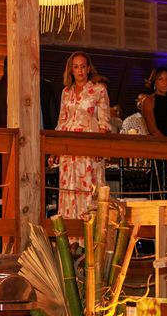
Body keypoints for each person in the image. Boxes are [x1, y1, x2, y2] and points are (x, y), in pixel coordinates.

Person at [53, 51, 110, 221]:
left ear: (88, 68)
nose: (80, 70)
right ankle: (70, 232)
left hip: (89, 147)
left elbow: (104, 123)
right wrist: (56, 149)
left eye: (83, 66)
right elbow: (61, 122)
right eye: (76, 67)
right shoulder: (66, 92)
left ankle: (91, 232)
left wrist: (99, 147)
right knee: (69, 188)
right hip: (68, 149)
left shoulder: (98, 90)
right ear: (71, 70)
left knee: (89, 190)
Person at [142, 67, 167, 138]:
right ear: (154, 82)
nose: (165, 82)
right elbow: (153, 130)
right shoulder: (148, 101)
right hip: (161, 143)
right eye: (160, 79)